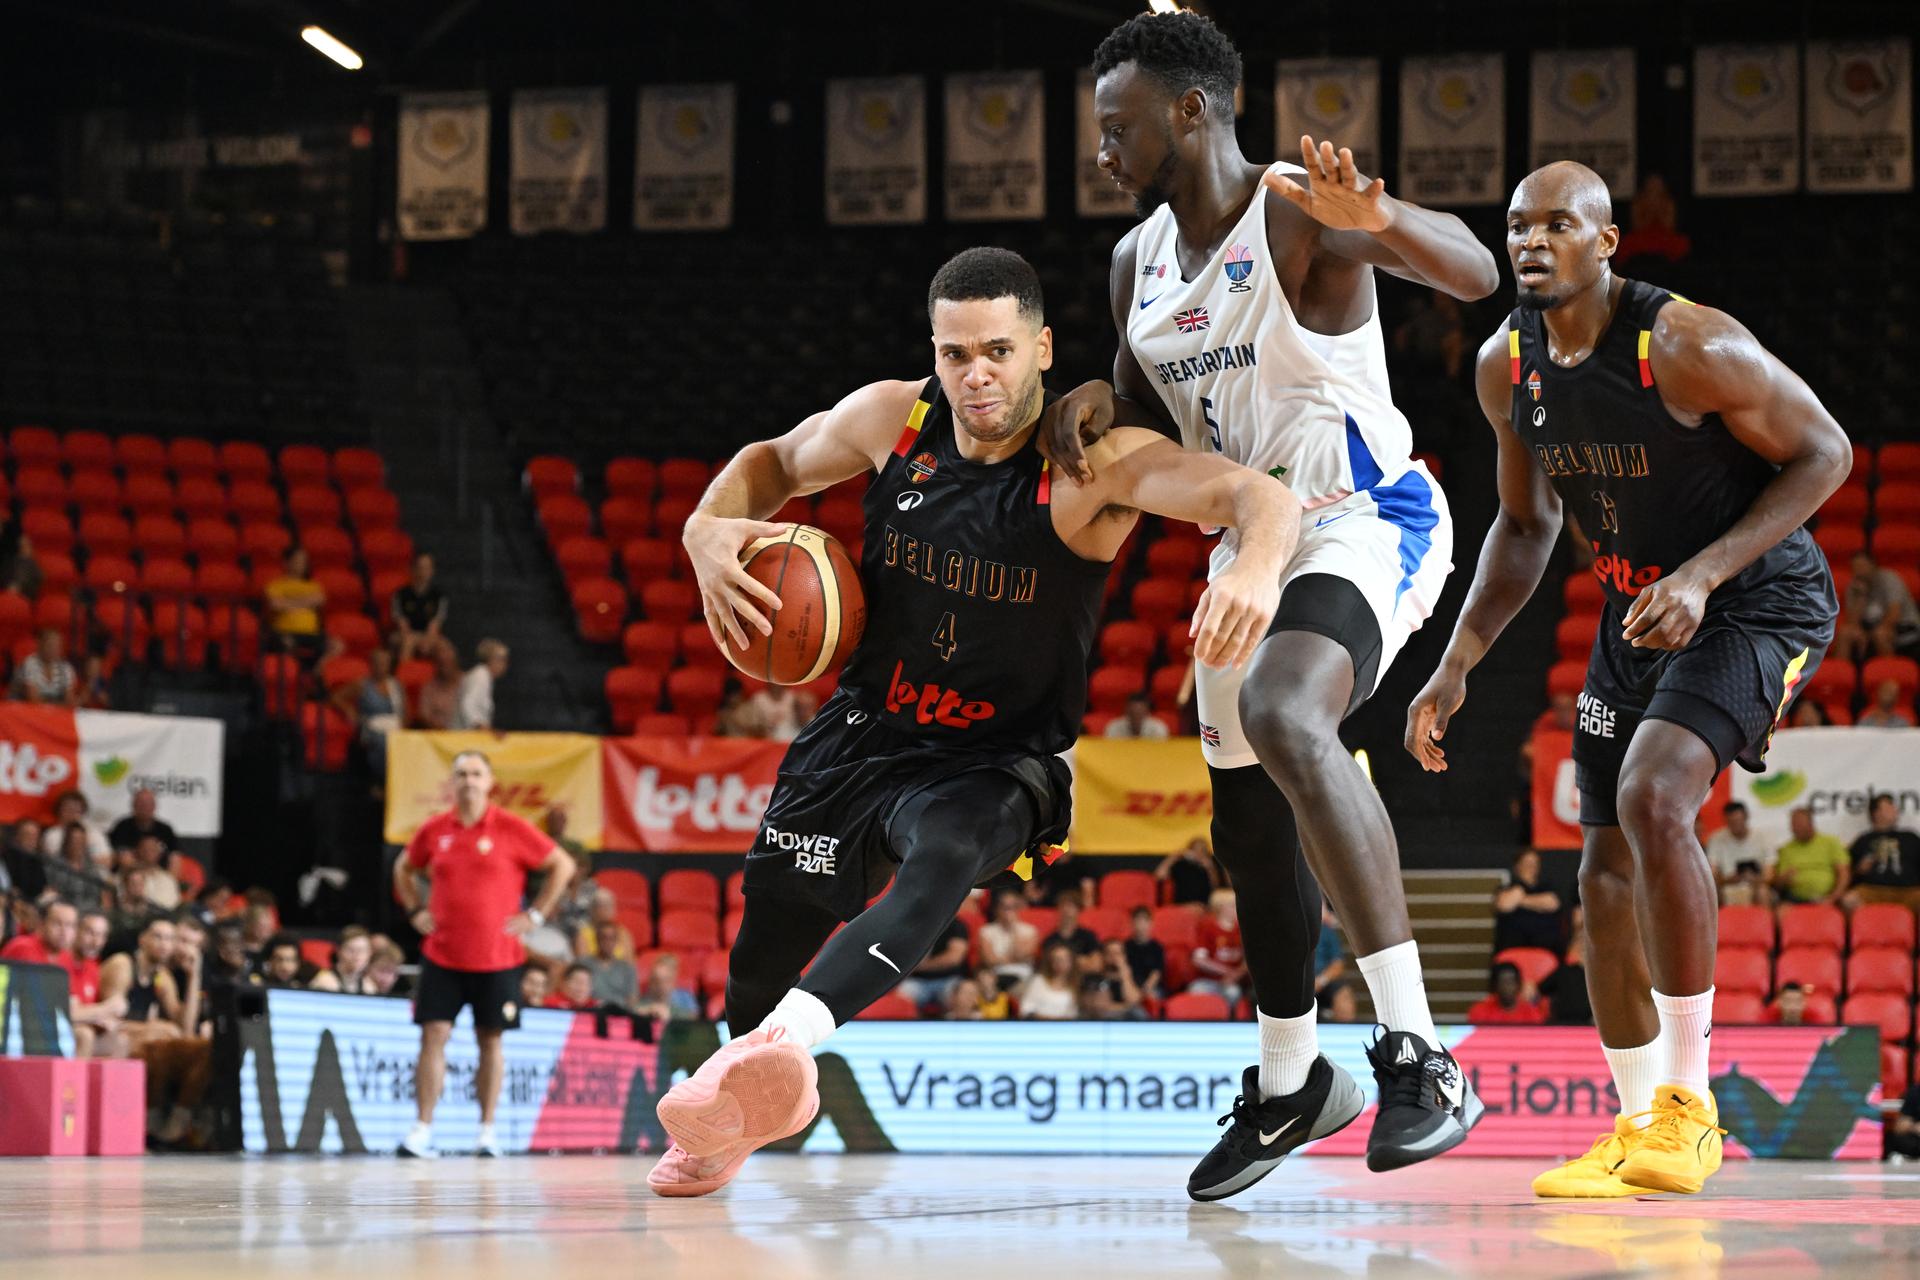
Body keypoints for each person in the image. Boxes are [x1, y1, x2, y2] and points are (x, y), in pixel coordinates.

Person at [650, 244, 1302, 1198]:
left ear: (1042, 349)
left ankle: (784, 1048)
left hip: (1000, 761)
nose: (976, 374)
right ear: (935, 351)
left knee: (943, 855)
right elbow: (775, 464)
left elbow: (1258, 495)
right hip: (865, 732)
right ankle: (753, 1091)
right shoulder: (891, 419)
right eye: (956, 354)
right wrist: (706, 526)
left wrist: (1251, 566)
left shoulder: (1091, 467)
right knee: (760, 957)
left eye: (997, 350)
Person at [1042, 10, 1499, 1191]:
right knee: (1244, 822)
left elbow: (1479, 272)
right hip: (1248, 543)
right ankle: (1293, 1079)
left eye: (1116, 128)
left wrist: (1385, 219)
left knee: (1292, 714)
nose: (1100, 151)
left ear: (1192, 112)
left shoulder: (1295, 204)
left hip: (1365, 516)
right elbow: (1156, 419)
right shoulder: (1132, 260)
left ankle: (1422, 1050)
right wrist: (1098, 400)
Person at [1403, 161, 1848, 1199]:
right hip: (1636, 612)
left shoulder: (1688, 344)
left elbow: (1826, 452)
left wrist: (1702, 574)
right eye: (1517, 224)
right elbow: (1523, 524)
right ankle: (1638, 1120)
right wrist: (1456, 660)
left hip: (1756, 597)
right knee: (1596, 872)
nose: (1530, 240)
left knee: (1655, 797)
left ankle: (1692, 1111)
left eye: (1559, 222)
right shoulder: (1504, 364)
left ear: (1608, 241)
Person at [392, 750, 575, 1159]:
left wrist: (537, 914)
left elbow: (561, 865)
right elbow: (403, 867)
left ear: (490, 782)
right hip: (442, 954)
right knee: (432, 1037)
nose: (469, 781)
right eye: (461, 774)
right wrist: (414, 909)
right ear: (452, 783)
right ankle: (422, 1129)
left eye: (476, 774)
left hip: (498, 957)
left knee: (489, 1041)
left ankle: (487, 1132)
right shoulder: (435, 829)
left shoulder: (511, 827)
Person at [1836, 549, 1920, 664]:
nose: (1859, 571)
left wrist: (1871, 634)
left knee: (1880, 634)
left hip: (1903, 626)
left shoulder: (1889, 579)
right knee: (1844, 633)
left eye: (1862, 566)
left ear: (1873, 565)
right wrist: (1861, 596)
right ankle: (1840, 677)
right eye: (1855, 567)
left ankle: (1891, 674)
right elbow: (1852, 622)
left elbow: (1894, 614)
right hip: (1871, 629)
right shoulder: (1853, 587)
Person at [1843, 794, 1920, 914]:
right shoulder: (1863, 840)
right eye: (1889, 807)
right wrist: (1859, 870)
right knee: (1849, 900)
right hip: (1873, 890)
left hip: (1908, 890)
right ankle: (1869, 931)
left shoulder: (1910, 837)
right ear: (1876, 813)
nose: (1895, 810)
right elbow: (1848, 874)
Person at [1772, 808, 1852, 909]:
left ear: (1811, 824)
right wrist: (1784, 879)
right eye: (1793, 825)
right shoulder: (1786, 849)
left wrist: (1832, 898)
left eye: (1799, 824)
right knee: (1782, 911)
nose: (1796, 828)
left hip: (1828, 896)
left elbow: (1844, 874)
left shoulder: (1830, 842)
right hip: (1796, 898)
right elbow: (1778, 885)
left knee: (1849, 901)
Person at [573, 888, 640, 1008]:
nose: (604, 910)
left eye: (608, 906)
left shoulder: (624, 934)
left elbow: (630, 968)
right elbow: (580, 971)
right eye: (600, 906)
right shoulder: (583, 936)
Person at [1492, 849, 1565, 954]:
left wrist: (1520, 900)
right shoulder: (1506, 888)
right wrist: (1537, 903)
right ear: (1517, 865)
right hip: (1512, 951)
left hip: (1545, 952)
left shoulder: (1547, 887)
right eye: (1527, 862)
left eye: (1534, 863)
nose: (1531, 866)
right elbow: (1504, 905)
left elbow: (1552, 904)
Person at [1704, 802, 1774, 907]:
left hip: (1756, 886)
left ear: (1746, 817)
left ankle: (1764, 923)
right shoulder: (1716, 839)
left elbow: (1769, 875)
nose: (1735, 825)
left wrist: (1754, 879)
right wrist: (1729, 879)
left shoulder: (1763, 838)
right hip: (1727, 886)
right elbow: (1712, 875)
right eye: (1731, 822)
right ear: (1726, 821)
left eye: (1738, 821)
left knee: (1762, 891)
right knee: (1713, 893)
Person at [1189, 888, 1248, 1010]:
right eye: (1232, 905)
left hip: (1232, 982)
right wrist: (1227, 972)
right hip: (1207, 980)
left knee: (1233, 993)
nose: (1236, 909)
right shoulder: (1207, 927)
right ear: (1221, 908)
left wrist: (1235, 975)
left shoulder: (1242, 929)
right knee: (1197, 991)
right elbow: (1199, 960)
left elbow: (1248, 960)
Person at [898, 915, 971, 1010]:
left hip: (948, 979)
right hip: (917, 980)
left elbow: (954, 958)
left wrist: (922, 966)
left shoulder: (956, 925)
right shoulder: (914, 925)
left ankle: (956, 1024)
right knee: (903, 993)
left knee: (964, 993)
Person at [355, 647, 408, 778]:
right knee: (383, 742)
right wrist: (351, 713)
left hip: (394, 727)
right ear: (371, 664)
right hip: (371, 730)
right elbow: (337, 697)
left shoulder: (396, 686)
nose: (381, 666)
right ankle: (382, 781)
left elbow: (405, 712)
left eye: (384, 663)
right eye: (377, 662)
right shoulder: (362, 685)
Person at [263, 547, 326, 652]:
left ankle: (317, 668)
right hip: (285, 631)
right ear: (286, 562)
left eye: (304, 561)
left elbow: (320, 600)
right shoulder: (275, 585)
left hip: (311, 633)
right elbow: (275, 605)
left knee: (337, 645)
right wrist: (307, 602)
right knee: (286, 643)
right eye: (298, 560)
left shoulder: (313, 586)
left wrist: (288, 603)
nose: (302, 564)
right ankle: (293, 667)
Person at [391, 552, 449, 662]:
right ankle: (403, 676)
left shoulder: (439, 596)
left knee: (445, 646)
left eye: (427, 568)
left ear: (432, 571)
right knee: (408, 642)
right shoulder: (400, 594)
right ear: (413, 569)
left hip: (429, 635)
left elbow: (435, 625)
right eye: (420, 567)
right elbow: (402, 625)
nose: (423, 572)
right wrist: (415, 639)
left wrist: (426, 640)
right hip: (405, 635)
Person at [39, 791, 110, 870]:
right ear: (59, 811)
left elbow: (106, 860)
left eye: (77, 811)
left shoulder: (94, 833)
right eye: (68, 810)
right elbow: (53, 860)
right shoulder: (52, 835)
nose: (72, 814)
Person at [1466, 961, 1550, 1025]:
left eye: (1511, 982)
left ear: (1519, 985)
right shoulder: (1479, 1011)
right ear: (1494, 986)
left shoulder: (1531, 1013)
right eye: (1503, 982)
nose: (1507, 987)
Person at [1016, 940, 1081, 1020]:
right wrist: (1050, 1021)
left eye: (1064, 959)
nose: (1060, 963)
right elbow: (1026, 1010)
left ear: (1072, 961)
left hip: (1068, 1028)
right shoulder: (1038, 981)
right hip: (1039, 1026)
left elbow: (1076, 1014)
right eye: (1056, 959)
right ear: (1050, 961)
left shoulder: (1078, 985)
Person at [11, 627, 77, 705]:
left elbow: (70, 702)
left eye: (57, 646)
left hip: (55, 713)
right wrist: (59, 705)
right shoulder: (28, 665)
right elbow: (33, 701)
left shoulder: (66, 668)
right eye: (50, 645)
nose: (53, 650)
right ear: (39, 645)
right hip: (23, 712)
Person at [454, 639, 509, 731]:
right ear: (490, 659)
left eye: (505, 660)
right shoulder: (481, 675)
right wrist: (480, 726)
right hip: (464, 737)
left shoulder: (484, 677)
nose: (504, 664)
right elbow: (467, 704)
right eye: (501, 659)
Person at [108, 789, 179, 859]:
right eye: (141, 803)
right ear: (133, 805)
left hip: (159, 869)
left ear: (154, 806)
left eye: (148, 804)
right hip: (132, 868)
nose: (144, 807)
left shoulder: (165, 830)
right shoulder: (122, 827)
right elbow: (117, 853)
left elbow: (175, 854)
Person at [1043, 894, 1102, 977]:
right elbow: (1048, 969)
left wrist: (1065, 963)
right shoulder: (1050, 939)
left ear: (1078, 911)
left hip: (1084, 982)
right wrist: (1082, 961)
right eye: (1062, 906)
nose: (1066, 910)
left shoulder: (1088, 936)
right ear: (1058, 911)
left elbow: (1097, 966)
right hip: (1059, 983)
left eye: (1070, 906)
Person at [1154, 836, 1221, 906]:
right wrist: (1175, 856)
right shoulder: (1181, 865)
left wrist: (1210, 868)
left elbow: (1216, 887)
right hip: (1182, 905)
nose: (1199, 853)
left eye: (1202, 851)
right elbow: (1159, 875)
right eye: (1195, 850)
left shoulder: (1209, 868)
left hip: (1203, 906)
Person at [632, 953, 698, 1020]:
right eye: (656, 980)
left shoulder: (685, 997)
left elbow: (693, 1021)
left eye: (666, 980)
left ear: (674, 979)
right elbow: (632, 1011)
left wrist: (670, 1013)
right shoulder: (645, 997)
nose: (660, 986)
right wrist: (649, 1010)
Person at [311, 926, 376, 994]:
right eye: (351, 950)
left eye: (362, 950)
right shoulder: (325, 982)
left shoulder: (369, 987)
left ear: (370, 953)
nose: (357, 956)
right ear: (339, 951)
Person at [416, 637, 463, 730]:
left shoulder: (469, 683)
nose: (445, 667)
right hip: (439, 737)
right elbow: (424, 718)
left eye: (448, 662)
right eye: (441, 663)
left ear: (455, 661)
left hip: (468, 738)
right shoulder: (428, 688)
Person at [1123, 905, 1165, 1000]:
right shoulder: (1125, 946)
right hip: (1131, 986)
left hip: (1151, 987)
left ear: (1151, 924)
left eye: (1144, 922)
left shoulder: (1157, 947)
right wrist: (1132, 989)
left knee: (1154, 997)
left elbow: (1156, 972)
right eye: (1137, 921)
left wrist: (1146, 989)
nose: (1141, 926)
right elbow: (1125, 970)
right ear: (1131, 924)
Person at [1313, 903, 1346, 994]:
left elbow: (1338, 963)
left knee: (1344, 999)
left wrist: (1321, 981)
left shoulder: (1325, 931)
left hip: (1323, 981)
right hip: (1296, 982)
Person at [1104, 693, 1169, 739]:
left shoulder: (1158, 728)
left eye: (1139, 713)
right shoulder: (1114, 727)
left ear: (1147, 712)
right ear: (1126, 711)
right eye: (1132, 713)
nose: (1136, 716)